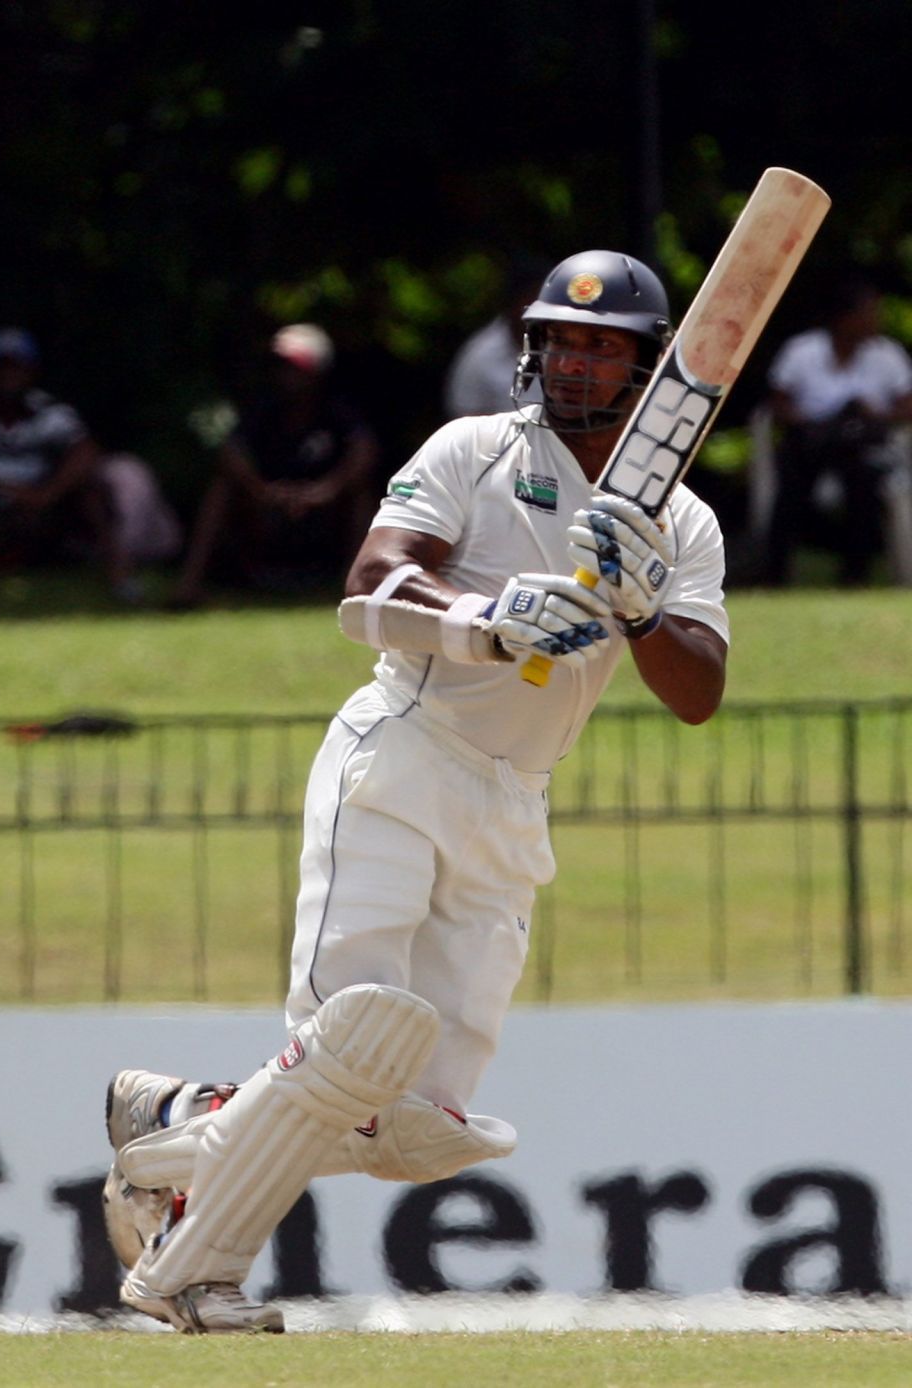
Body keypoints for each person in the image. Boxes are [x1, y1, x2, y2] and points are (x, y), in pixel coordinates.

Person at [102, 250, 730, 1333]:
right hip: (403, 750)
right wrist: (486, 619)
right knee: (352, 1037)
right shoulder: (475, 449)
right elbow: (371, 580)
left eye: (601, 345)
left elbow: (700, 688)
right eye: (560, 339)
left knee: (407, 1121)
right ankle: (188, 1279)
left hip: (513, 801)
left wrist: (638, 610)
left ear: (646, 367)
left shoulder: (683, 523)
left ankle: (174, 1124)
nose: (574, 360)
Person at [168, 324, 378, 607]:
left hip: (324, 516)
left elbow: (365, 453)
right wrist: (260, 490)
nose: (286, 375)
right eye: (281, 365)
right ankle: (189, 587)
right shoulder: (263, 408)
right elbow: (231, 452)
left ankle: (359, 589)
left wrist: (325, 491)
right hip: (266, 512)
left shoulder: (339, 411)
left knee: (364, 496)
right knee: (222, 489)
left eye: (295, 367)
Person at [0, 327, 133, 606]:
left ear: (32, 371)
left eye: (17, 367)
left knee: (91, 485)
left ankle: (119, 576)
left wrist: (47, 493)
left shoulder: (52, 412)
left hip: (46, 512)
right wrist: (6, 488)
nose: (9, 375)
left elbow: (86, 453)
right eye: (1, 367)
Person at [762, 278, 912, 585]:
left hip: (862, 445)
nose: (876, 319)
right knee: (791, 482)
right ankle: (774, 573)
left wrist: (875, 414)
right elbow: (778, 406)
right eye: (869, 312)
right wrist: (813, 422)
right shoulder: (802, 351)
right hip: (811, 442)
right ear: (844, 317)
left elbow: (907, 407)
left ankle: (855, 574)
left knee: (864, 482)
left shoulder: (888, 355)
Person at [443, 258, 547, 418]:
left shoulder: (563, 350)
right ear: (512, 302)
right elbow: (465, 421)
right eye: (531, 299)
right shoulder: (479, 356)